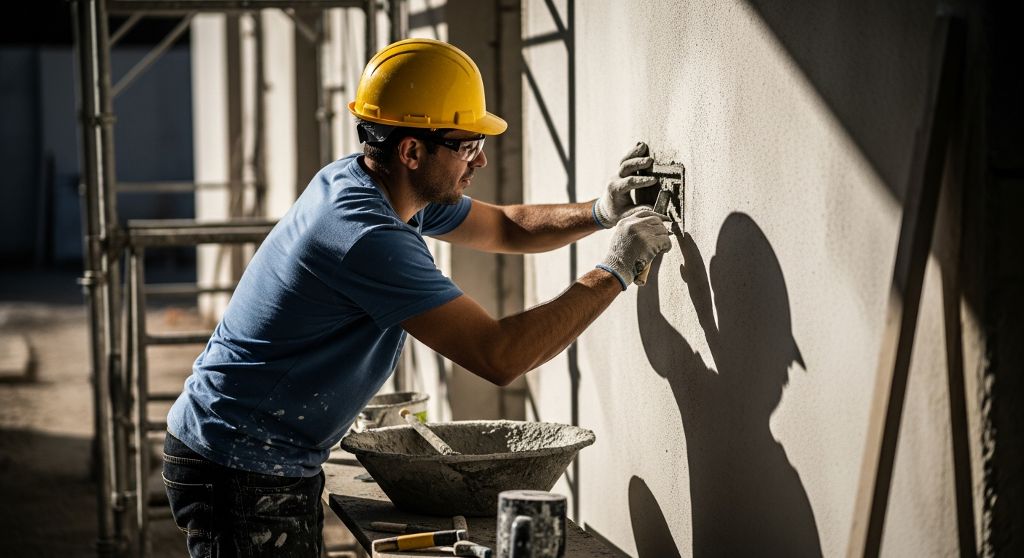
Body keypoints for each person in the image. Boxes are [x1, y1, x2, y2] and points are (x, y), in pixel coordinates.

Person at [163, 38, 670, 557]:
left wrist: (599, 211)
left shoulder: (374, 182)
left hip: (257, 453)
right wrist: (615, 270)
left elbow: (503, 227)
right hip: (240, 465)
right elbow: (500, 355)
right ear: (411, 151)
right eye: (467, 145)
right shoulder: (366, 234)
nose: (481, 159)